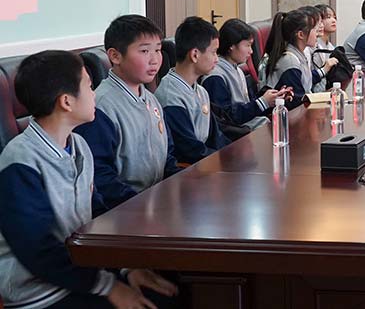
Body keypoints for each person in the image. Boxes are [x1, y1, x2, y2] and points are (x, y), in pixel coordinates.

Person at [0, 51, 178, 308]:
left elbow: (97, 216)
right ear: (66, 102)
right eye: (89, 86)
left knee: (168, 290)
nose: (94, 94)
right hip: (41, 293)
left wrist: (126, 268)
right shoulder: (20, 163)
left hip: (83, 272)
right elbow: (40, 252)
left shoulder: (79, 145)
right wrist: (110, 287)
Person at [75, 15, 181, 210]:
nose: (155, 60)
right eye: (144, 51)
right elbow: (99, 175)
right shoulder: (101, 107)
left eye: (158, 50)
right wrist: (141, 205)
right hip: (125, 210)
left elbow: (168, 154)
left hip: (155, 203)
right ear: (115, 56)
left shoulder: (151, 99)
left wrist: (179, 187)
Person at [154, 17, 229, 164]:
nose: (217, 59)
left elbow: (216, 137)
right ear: (195, 55)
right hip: (190, 169)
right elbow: (189, 150)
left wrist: (231, 154)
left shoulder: (201, 91)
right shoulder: (171, 96)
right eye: (214, 52)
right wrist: (223, 160)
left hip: (207, 164)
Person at [202, 19, 289, 136]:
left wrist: (272, 98)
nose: (251, 51)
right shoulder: (215, 77)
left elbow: (247, 104)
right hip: (237, 135)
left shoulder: (238, 70)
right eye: (247, 45)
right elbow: (227, 117)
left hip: (249, 127)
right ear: (232, 46)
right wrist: (262, 102)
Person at [263, 9, 338, 109]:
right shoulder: (290, 61)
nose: (318, 33)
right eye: (314, 29)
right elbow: (297, 101)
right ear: (301, 35)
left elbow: (305, 84)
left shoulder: (299, 54)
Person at [311, 4, 337, 92]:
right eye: (328, 17)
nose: (333, 20)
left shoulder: (330, 46)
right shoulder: (312, 46)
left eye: (334, 17)